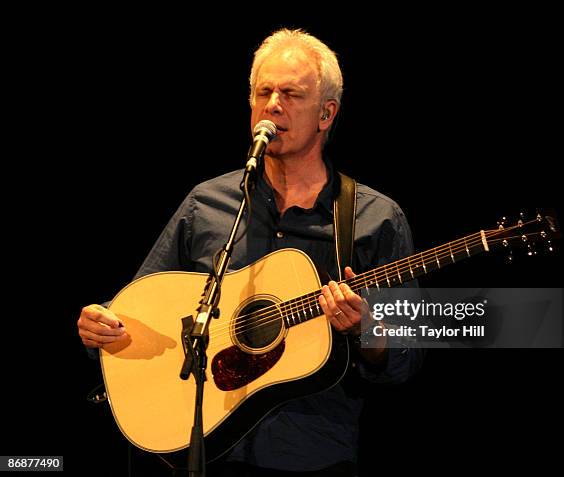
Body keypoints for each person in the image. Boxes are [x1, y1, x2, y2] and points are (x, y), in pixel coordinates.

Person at [78, 28, 424, 476]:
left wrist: (365, 330)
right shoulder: (207, 203)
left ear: (326, 114)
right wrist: (103, 323)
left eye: (291, 94)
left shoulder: (375, 217)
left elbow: (407, 360)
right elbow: (140, 306)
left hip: (311, 455)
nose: (274, 104)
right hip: (199, 448)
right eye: (264, 92)